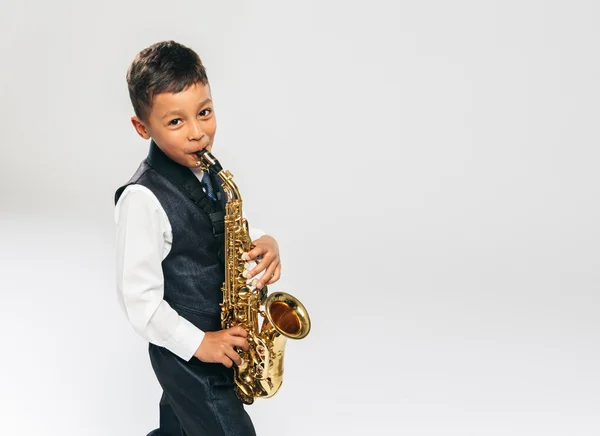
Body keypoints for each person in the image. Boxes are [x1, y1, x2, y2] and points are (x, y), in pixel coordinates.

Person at [114, 40, 282, 436]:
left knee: (178, 429)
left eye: (204, 113)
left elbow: (221, 228)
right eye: (176, 122)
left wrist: (263, 242)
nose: (198, 133)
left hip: (222, 335)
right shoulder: (142, 199)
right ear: (143, 128)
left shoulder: (210, 173)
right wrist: (200, 344)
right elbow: (139, 301)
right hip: (188, 350)